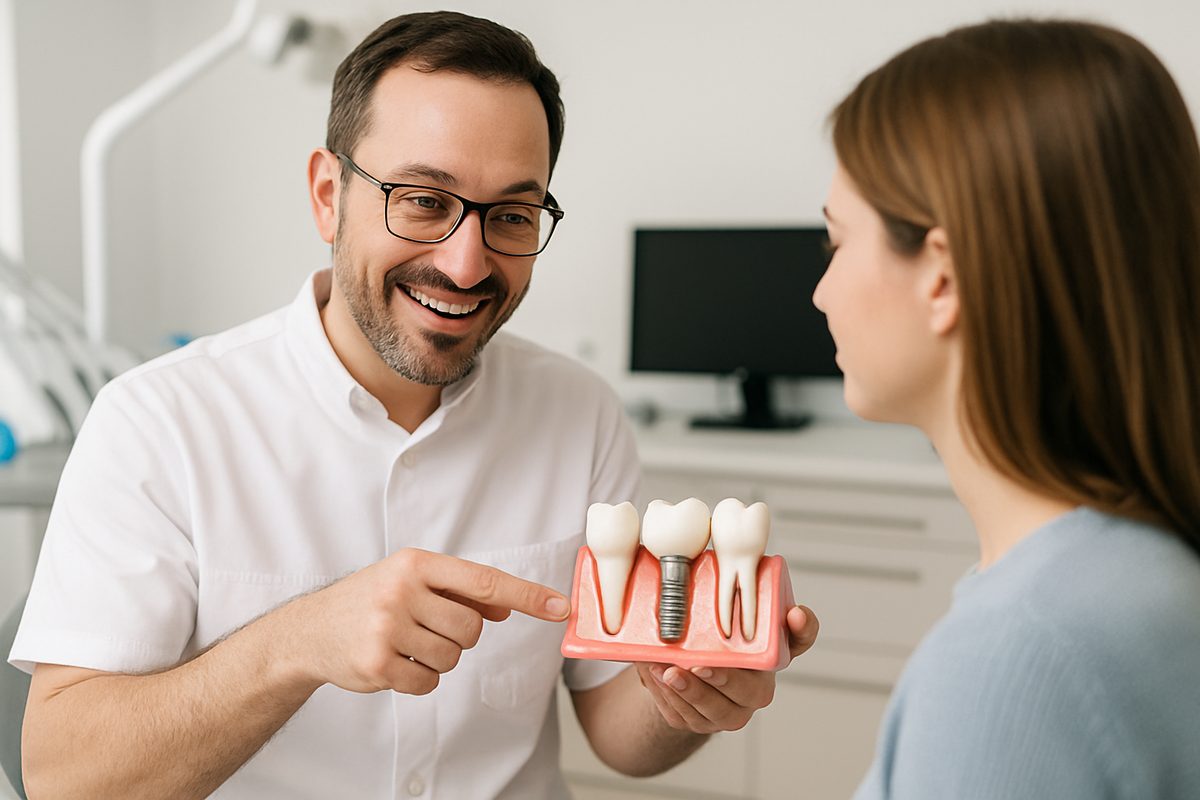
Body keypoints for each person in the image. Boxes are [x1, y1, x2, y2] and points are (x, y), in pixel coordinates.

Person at [9, 11, 817, 799]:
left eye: (512, 216)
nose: (466, 265)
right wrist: (295, 643)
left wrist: (693, 693)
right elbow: (66, 780)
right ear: (328, 196)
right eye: (425, 201)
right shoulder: (159, 422)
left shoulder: (581, 415)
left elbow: (618, 730)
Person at [814, 18, 1200, 799]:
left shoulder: (1018, 657)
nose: (821, 293)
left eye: (836, 243)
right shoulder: (1148, 572)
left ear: (943, 278)